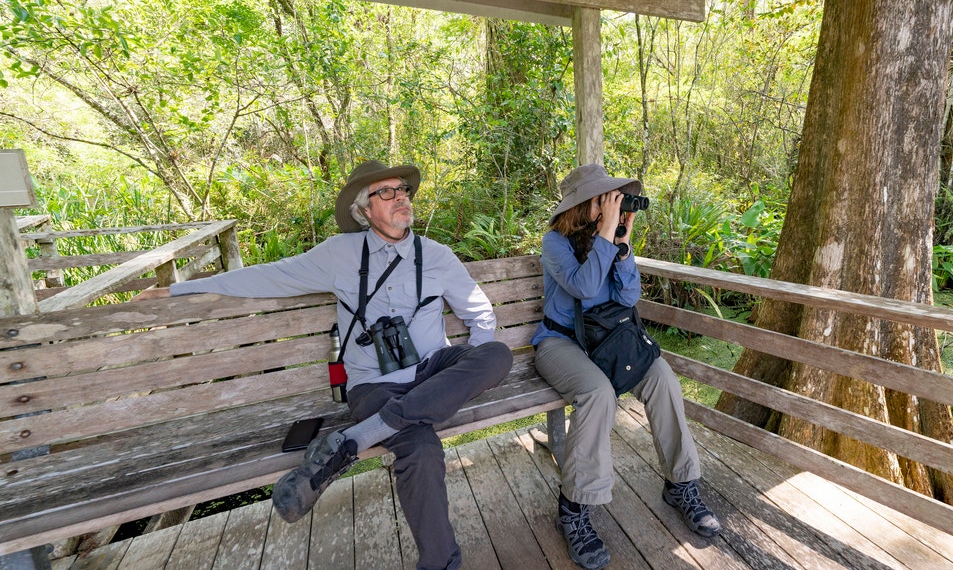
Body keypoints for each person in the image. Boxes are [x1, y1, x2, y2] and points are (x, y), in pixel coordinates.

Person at [161, 161, 513, 570]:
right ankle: (441, 563)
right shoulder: (338, 254)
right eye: (386, 192)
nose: (401, 196)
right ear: (364, 210)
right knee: (419, 448)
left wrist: (459, 378)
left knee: (496, 355)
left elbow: (480, 315)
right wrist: (175, 290)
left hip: (433, 368)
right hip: (373, 386)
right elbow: (266, 277)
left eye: (402, 190)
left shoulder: (436, 256)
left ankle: (359, 436)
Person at [531, 164, 721, 569]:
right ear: (586, 204)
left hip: (606, 341)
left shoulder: (610, 239)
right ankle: (574, 509)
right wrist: (605, 237)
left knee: (663, 377)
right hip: (559, 343)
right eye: (608, 199)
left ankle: (681, 483)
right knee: (597, 394)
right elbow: (582, 287)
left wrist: (623, 246)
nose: (615, 207)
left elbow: (629, 294)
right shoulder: (554, 242)